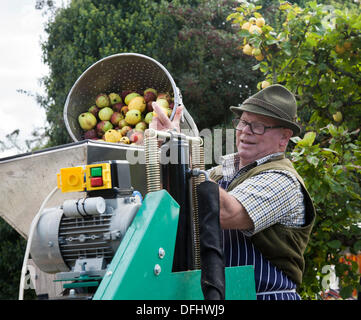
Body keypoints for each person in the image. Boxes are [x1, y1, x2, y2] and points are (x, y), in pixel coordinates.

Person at [151, 84, 315, 300]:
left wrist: (180, 149)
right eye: (243, 123)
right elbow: (179, 203)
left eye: (258, 126)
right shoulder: (220, 173)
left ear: (284, 138)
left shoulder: (283, 180)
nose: (245, 131)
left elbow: (224, 212)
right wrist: (167, 149)